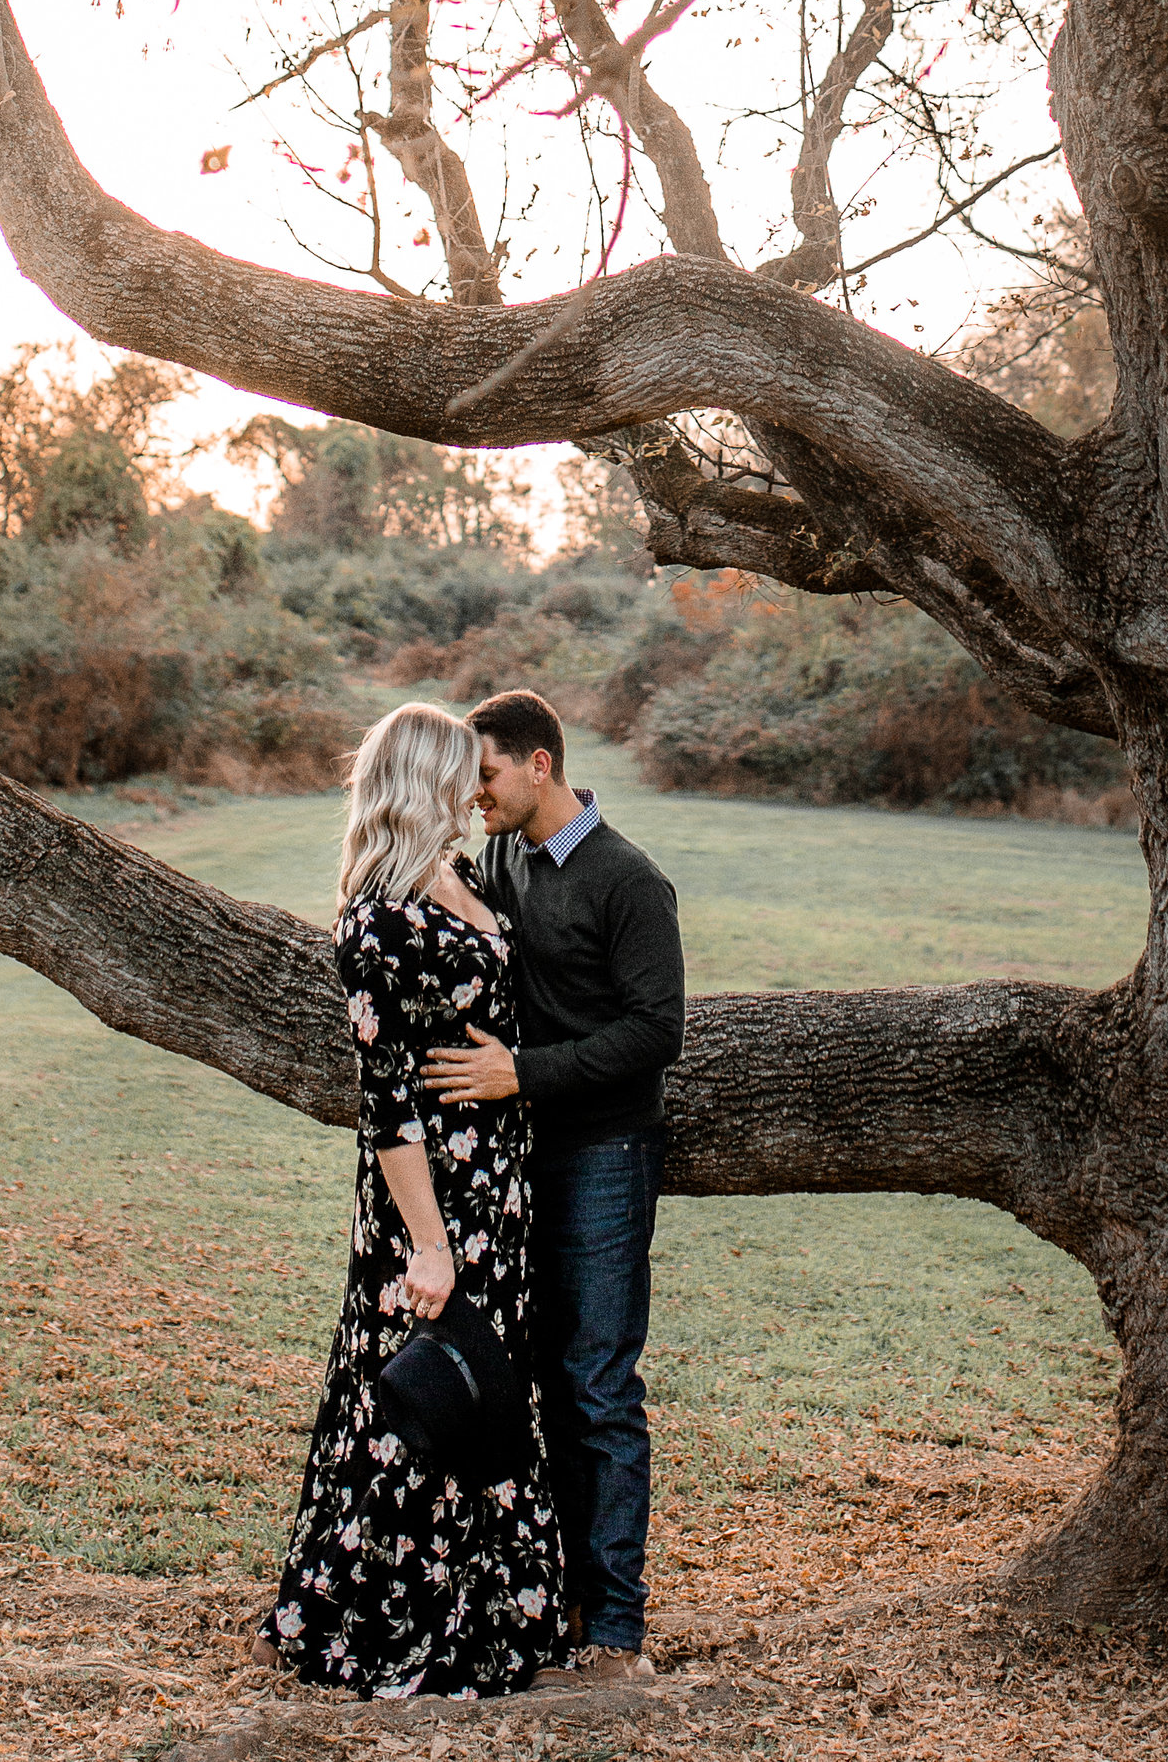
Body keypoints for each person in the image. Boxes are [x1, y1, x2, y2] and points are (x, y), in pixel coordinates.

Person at [261, 700, 569, 1700]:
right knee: (420, 1394)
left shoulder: (464, 875)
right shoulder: (376, 918)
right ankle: (392, 1627)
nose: (475, 788)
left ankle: (494, 1623)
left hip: (499, 1190)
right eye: (461, 772)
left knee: (487, 1395)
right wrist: (427, 1246)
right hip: (427, 1198)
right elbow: (385, 1105)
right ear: (422, 780)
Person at [422, 688, 685, 1687]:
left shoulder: (628, 881)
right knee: (541, 1390)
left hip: (607, 1157)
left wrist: (522, 1073)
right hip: (519, 1169)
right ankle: (556, 1603)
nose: (471, 794)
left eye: (482, 774)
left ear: (540, 764)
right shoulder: (499, 865)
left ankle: (615, 1632)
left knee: (600, 1390)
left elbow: (656, 1033)